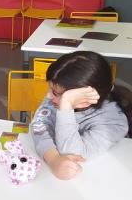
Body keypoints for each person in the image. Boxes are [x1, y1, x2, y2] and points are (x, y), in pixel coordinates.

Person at [31, 51, 132, 180]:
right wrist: (53, 159)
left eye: (55, 93)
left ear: (84, 100)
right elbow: (39, 125)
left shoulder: (113, 123)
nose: (48, 96)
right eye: (50, 89)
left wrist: (66, 105)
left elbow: (71, 153)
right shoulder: (55, 100)